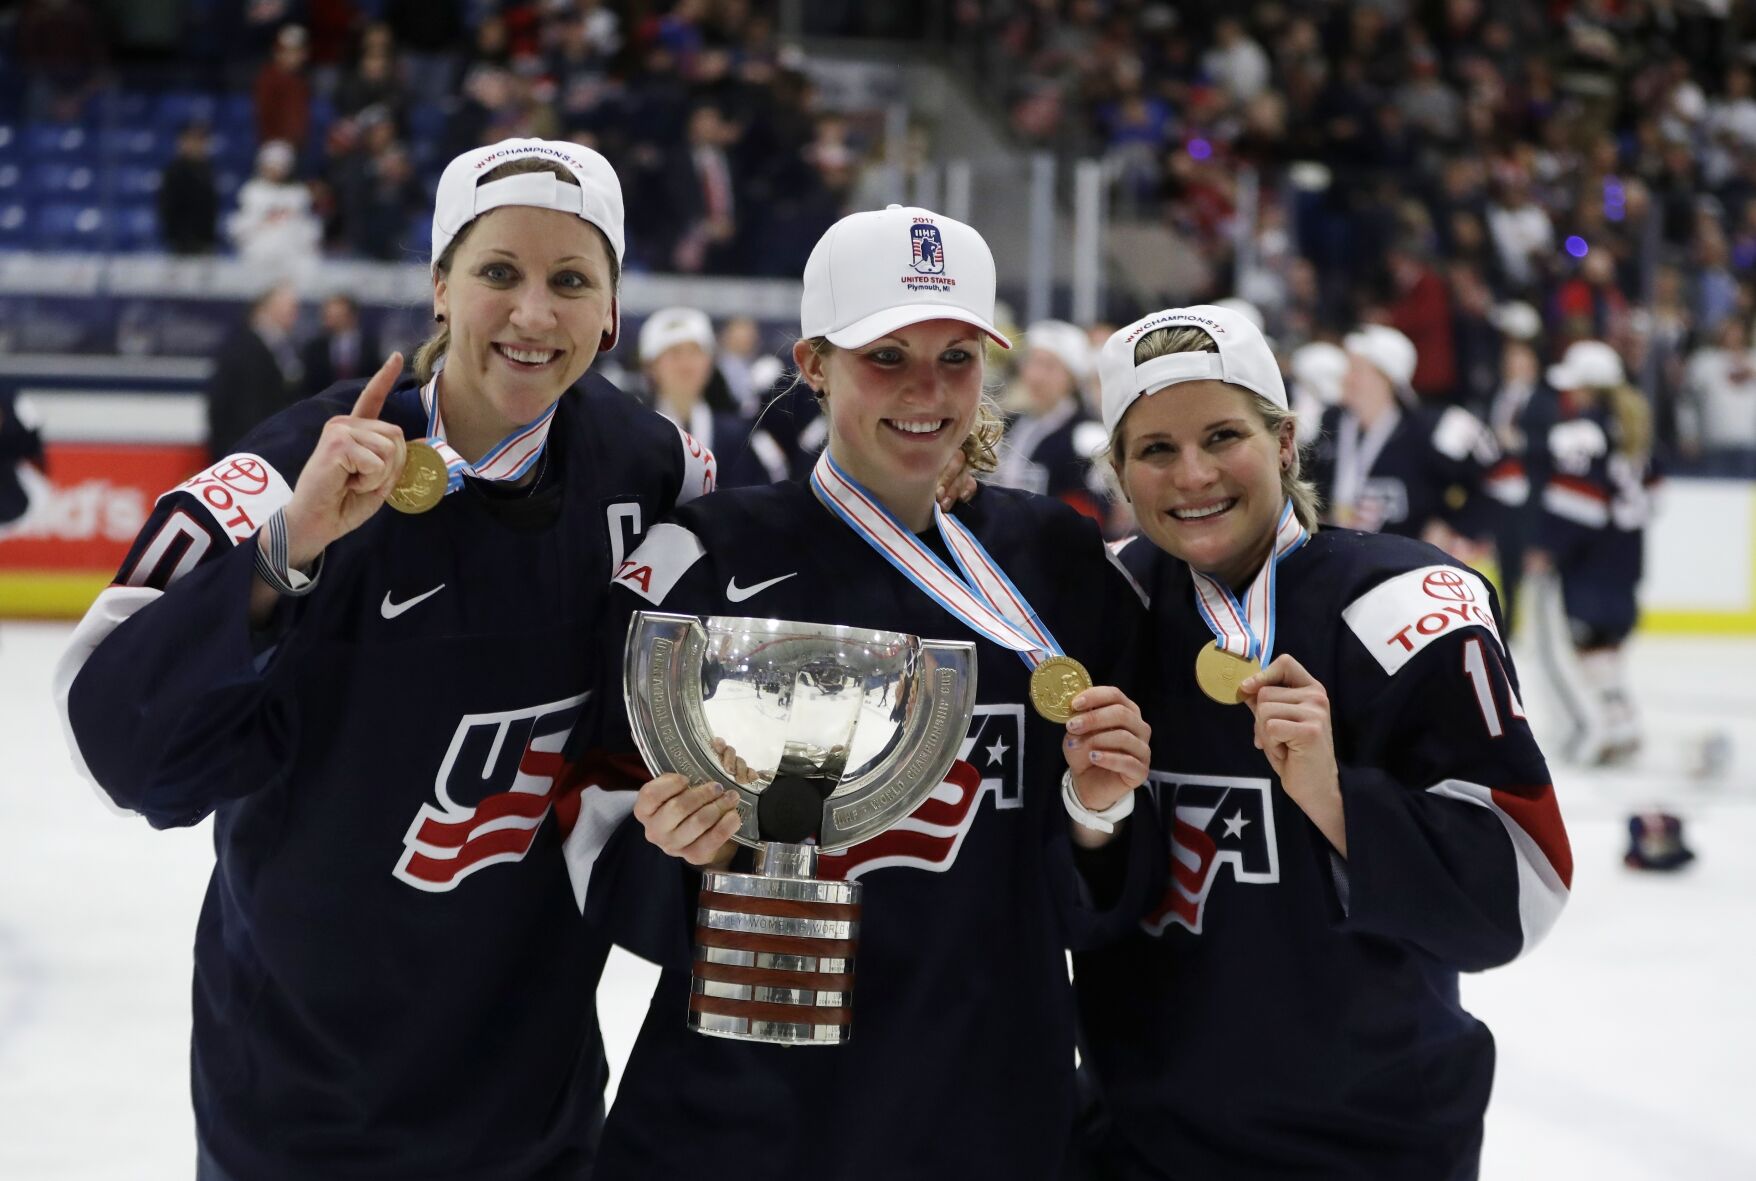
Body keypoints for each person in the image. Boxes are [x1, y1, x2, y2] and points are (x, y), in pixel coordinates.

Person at [53, 137, 716, 1181]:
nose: (534, 314)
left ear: (612, 312)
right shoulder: (288, 470)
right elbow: (126, 753)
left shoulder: (656, 470)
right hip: (302, 1105)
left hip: (533, 1103)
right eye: (498, 272)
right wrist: (285, 555)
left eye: (570, 279)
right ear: (440, 287)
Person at [591, 205, 1158, 1179]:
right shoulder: (711, 554)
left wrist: (1098, 812)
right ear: (811, 361)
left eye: (956, 357)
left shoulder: (1053, 559)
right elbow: (604, 867)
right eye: (885, 356)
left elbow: (1107, 899)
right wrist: (693, 851)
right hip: (744, 1114)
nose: (927, 391)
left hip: (985, 1101)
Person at [1075, 305, 1573, 1179]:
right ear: (1118, 471)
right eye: (1155, 449)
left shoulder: (1409, 607)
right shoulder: (1103, 607)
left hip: (1368, 1145)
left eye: (1223, 434)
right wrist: (1090, 813)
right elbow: (1042, 895)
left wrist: (1336, 799)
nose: (1192, 474)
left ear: (1287, 442)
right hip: (1137, 1139)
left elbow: (1521, 892)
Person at [1523, 339, 1657, 765]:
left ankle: (1619, 725)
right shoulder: (1634, 427)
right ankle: (1621, 723)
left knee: (1589, 643)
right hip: (1626, 551)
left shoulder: (1583, 429)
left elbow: (1576, 498)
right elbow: (1655, 494)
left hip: (1591, 555)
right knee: (1605, 644)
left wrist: (1548, 546)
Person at [1309, 323, 1505, 560]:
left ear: (1386, 379)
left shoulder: (1430, 430)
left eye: (1357, 369)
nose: (1346, 377)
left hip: (1404, 571)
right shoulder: (1330, 423)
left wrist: (1455, 527)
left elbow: (1498, 476)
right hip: (1339, 563)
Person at [638, 305, 787, 487]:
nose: (686, 365)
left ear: (710, 362)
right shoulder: (635, 434)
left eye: (695, 352)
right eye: (674, 353)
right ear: (650, 366)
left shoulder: (739, 437)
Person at [992, 318, 1108, 522]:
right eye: (1033, 362)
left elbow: (1091, 513)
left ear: (1072, 378)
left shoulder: (1085, 435)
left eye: (1050, 366)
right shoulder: (1010, 424)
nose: (1037, 376)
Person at [205, 282, 303, 461]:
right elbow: (221, 402)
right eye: (289, 308)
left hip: (268, 450)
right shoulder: (241, 346)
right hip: (243, 452)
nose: (295, 314)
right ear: (267, 308)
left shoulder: (284, 348)